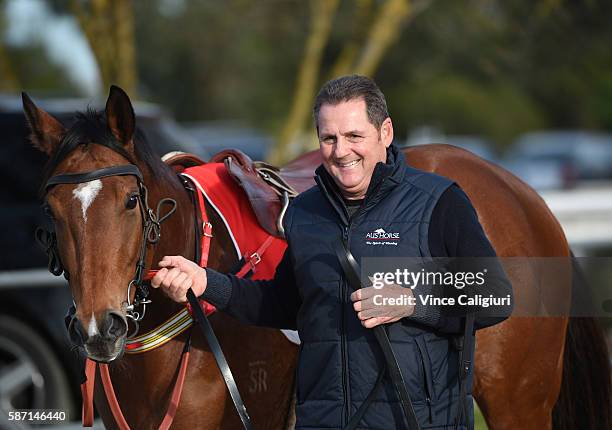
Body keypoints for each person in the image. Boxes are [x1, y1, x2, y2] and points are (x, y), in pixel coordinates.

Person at [151, 75, 513, 429]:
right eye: (329, 138)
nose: (341, 152)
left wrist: (413, 301)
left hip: (420, 420)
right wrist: (205, 282)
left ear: (384, 132)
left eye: (354, 136)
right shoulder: (305, 213)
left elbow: (496, 295)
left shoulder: (438, 201)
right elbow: (283, 305)